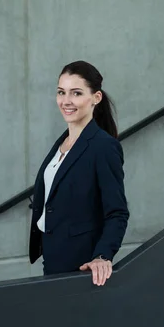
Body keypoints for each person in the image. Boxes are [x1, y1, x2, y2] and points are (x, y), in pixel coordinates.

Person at [29, 60, 129, 286]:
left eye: (76, 93)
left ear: (96, 98)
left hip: (81, 263)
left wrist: (103, 256)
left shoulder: (103, 146)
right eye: (61, 92)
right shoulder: (62, 142)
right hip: (52, 254)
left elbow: (117, 212)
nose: (66, 101)